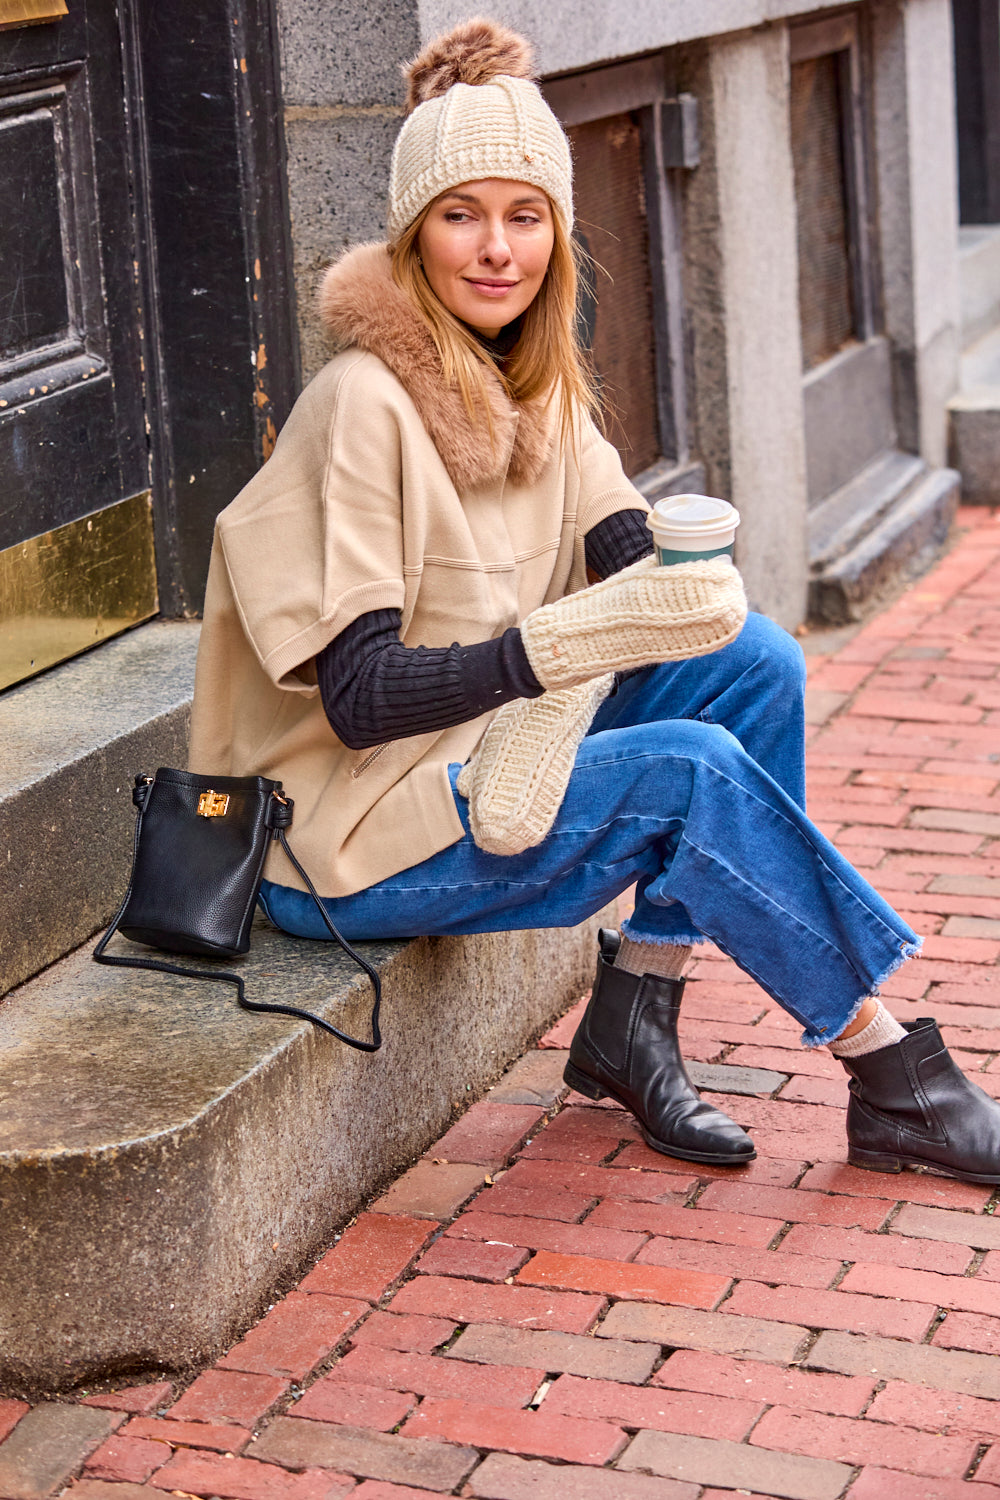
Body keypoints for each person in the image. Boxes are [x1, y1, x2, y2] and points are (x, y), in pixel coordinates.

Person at [188, 17, 1000, 1184]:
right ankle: (891, 1073)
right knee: (687, 768)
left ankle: (636, 1015)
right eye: (461, 214)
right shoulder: (360, 405)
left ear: (558, 236)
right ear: (414, 234)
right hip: (345, 841)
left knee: (757, 662)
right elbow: (361, 701)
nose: (496, 249)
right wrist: (555, 643)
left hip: (481, 763)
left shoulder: (535, 384)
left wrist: (684, 575)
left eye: (525, 216)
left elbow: (630, 559)